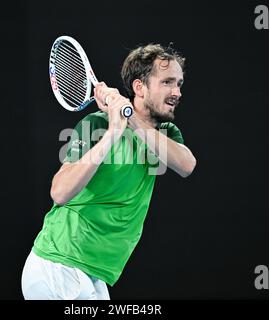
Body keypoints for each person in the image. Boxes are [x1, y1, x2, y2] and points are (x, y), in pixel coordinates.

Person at [21, 43, 197, 300]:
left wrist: (129, 118)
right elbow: (60, 192)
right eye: (168, 82)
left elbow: (186, 165)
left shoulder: (165, 134)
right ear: (140, 87)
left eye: (179, 83)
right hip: (59, 262)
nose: (177, 92)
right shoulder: (96, 125)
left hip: (93, 272)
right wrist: (114, 130)